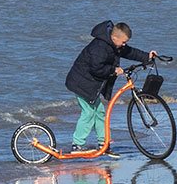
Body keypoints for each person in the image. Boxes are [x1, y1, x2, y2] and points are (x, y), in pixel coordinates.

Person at [65, 21, 156, 152]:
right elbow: (96, 68)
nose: (124, 44)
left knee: (100, 112)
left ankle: (104, 143)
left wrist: (147, 56)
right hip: (81, 83)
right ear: (114, 37)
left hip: (90, 83)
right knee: (89, 113)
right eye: (123, 42)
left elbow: (129, 52)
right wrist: (113, 70)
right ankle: (77, 144)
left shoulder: (114, 44)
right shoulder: (100, 47)